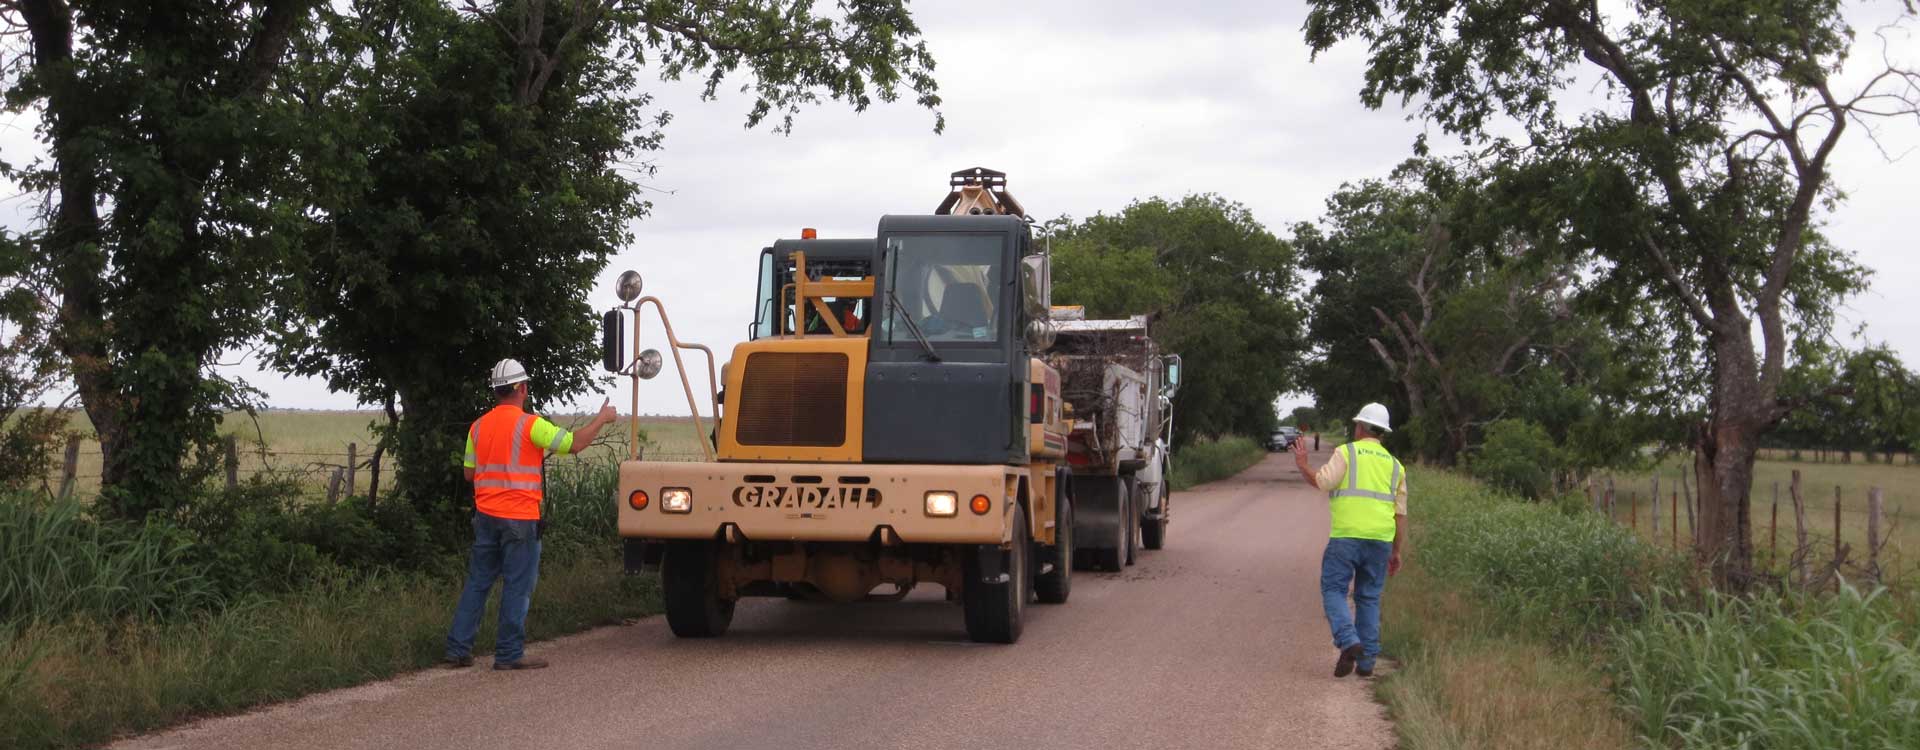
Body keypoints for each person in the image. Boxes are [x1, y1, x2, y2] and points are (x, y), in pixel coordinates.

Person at [444, 358, 618, 670]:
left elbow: (470, 475)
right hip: (520, 518)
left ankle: (458, 649)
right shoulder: (531, 425)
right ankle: (509, 654)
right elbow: (574, 444)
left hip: (485, 516)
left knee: (478, 582)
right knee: (517, 585)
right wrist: (602, 418)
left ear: (496, 391)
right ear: (522, 388)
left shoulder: (478, 427)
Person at [1289, 403, 1408, 679]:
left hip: (1346, 538)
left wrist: (1303, 464)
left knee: (1333, 589)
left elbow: (1322, 482)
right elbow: (1400, 515)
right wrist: (1396, 551)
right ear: (1382, 433)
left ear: (1360, 427)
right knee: (1368, 598)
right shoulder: (1395, 466)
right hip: (1380, 541)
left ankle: (1347, 640)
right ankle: (1366, 663)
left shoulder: (1346, 453)